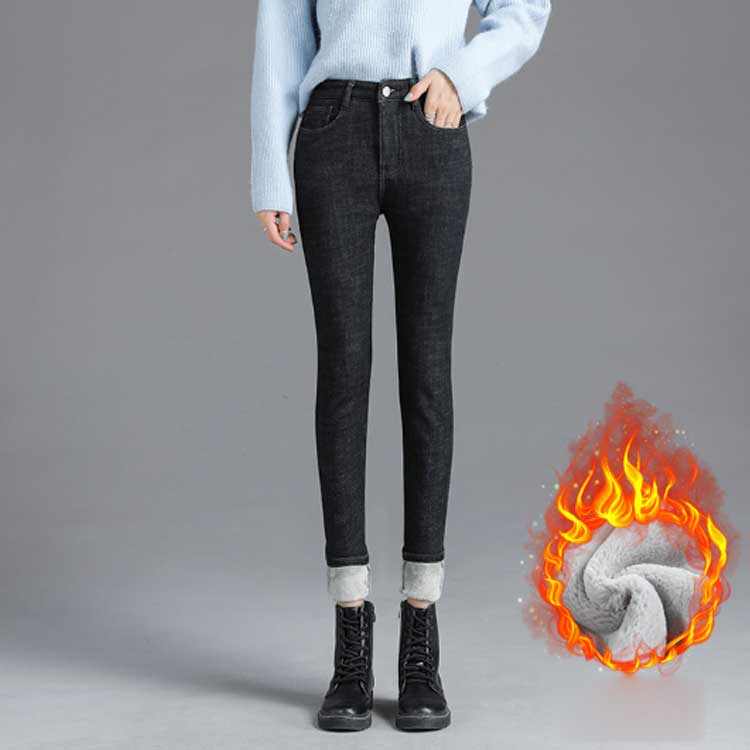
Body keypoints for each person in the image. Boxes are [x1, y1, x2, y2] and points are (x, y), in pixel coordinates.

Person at [250, 0, 551, 732]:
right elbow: (281, 30)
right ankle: (350, 637)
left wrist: (463, 75)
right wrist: (269, 174)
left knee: (426, 378)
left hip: (431, 127)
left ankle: (421, 633)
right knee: (343, 375)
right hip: (333, 129)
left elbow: (525, 9)